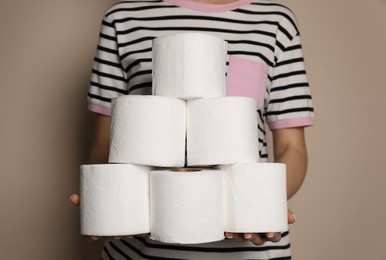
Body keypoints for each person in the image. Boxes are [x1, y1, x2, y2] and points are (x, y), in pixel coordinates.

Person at [70, 0, 314, 258]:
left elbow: (292, 147)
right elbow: (105, 145)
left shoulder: (276, 21)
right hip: (141, 250)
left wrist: (259, 204)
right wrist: (111, 201)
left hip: (250, 244)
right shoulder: (122, 19)